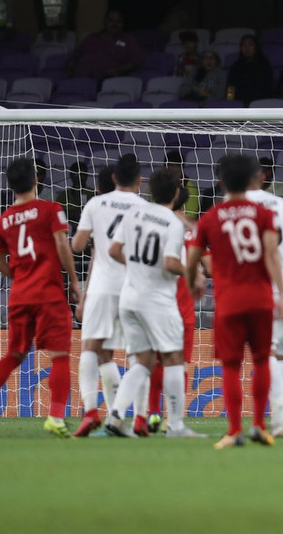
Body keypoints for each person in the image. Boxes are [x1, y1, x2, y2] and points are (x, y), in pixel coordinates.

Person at [187, 154, 283, 449]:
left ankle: (234, 430)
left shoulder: (210, 217)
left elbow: (193, 258)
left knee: (231, 366)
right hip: (261, 298)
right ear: (252, 180)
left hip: (228, 301)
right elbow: (272, 255)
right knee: (261, 360)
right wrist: (281, 293)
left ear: (220, 183)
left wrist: (194, 279)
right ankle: (259, 424)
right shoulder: (264, 213)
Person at [104, 169, 203, 438]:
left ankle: (114, 416)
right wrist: (194, 275)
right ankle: (177, 426)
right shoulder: (172, 222)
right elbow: (171, 263)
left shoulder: (134, 213)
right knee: (173, 359)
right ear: (175, 193)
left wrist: (137, 266)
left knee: (143, 363)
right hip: (156, 301)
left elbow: (114, 250)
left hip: (130, 299)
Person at [0, 157, 80, 437]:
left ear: (10, 186)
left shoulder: (3, 221)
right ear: (36, 180)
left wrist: (20, 274)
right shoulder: (51, 209)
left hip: (20, 295)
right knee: (60, 356)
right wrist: (73, 280)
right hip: (49, 293)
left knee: (14, 354)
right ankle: (55, 417)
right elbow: (63, 244)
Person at [71, 154, 147, 437]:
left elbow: (78, 246)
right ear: (140, 180)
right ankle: (133, 418)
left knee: (92, 347)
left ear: (114, 178)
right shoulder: (145, 207)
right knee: (137, 355)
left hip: (102, 286)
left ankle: (91, 410)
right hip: (133, 288)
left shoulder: (95, 203)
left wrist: (93, 239)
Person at [245, 160, 283, 437]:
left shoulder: (236, 206)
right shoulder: (279, 203)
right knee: (279, 353)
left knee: (264, 351)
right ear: (263, 177)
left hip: (258, 282)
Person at [145, 181, 207, 434]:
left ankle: (151, 414)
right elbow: (206, 268)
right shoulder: (190, 229)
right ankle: (175, 420)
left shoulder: (147, 223)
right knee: (178, 363)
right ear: (183, 202)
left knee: (153, 362)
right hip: (181, 304)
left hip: (151, 300)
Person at [66, 9, 144, 81]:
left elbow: (137, 60)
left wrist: (119, 70)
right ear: (105, 22)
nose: (114, 24)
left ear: (123, 24)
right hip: (80, 80)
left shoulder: (127, 40)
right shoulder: (91, 38)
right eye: (111, 21)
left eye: (118, 21)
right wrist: (69, 71)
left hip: (106, 82)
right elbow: (74, 56)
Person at [227, 34, 274, 105]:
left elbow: (268, 87)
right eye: (244, 45)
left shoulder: (264, 65)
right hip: (239, 102)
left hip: (260, 102)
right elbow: (231, 86)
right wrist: (229, 101)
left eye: (250, 45)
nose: (247, 48)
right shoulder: (236, 66)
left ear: (256, 47)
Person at [54, 161, 94, 227]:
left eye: (82, 174)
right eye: (75, 174)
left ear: (87, 175)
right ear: (70, 175)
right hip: (67, 230)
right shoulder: (63, 196)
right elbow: (57, 213)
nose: (79, 177)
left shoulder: (93, 194)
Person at [165, 151, 201, 219]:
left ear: (182, 167)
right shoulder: (158, 185)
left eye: (177, 165)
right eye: (171, 165)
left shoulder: (190, 186)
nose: (173, 169)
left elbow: (191, 215)